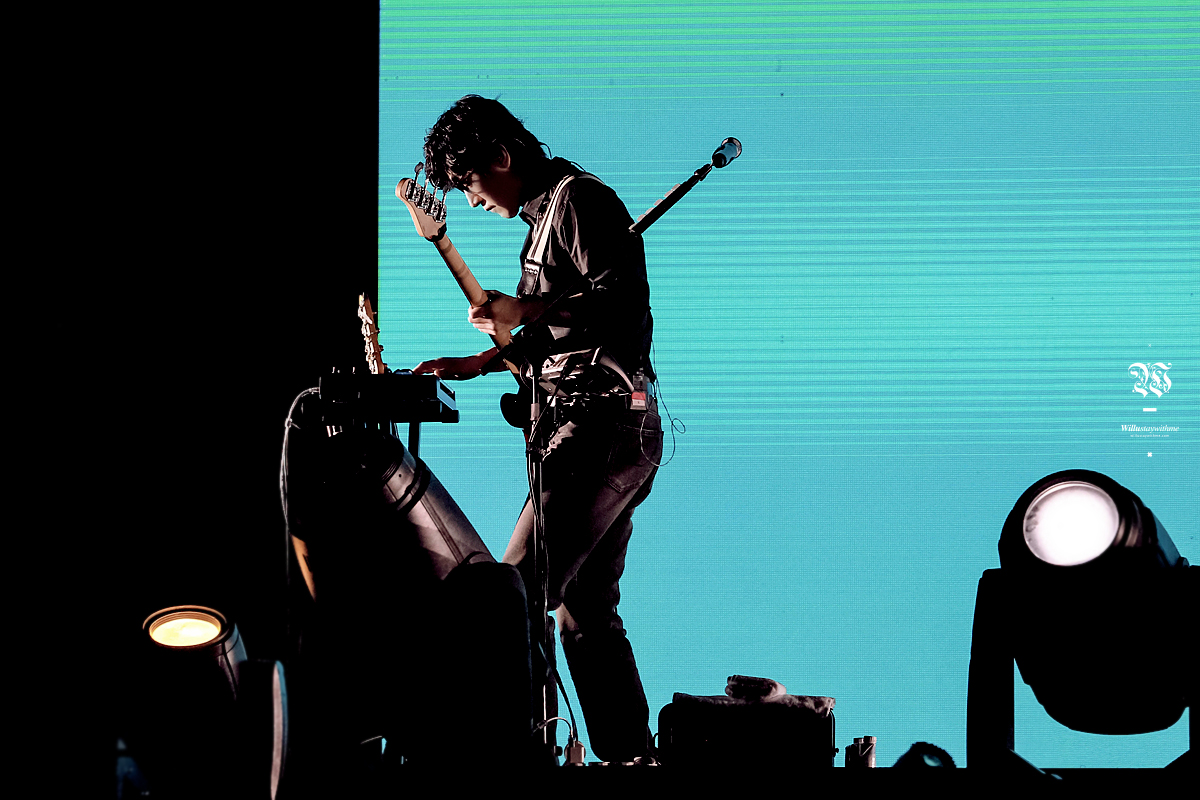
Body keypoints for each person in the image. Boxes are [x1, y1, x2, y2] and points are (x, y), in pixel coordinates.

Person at [414, 95, 663, 763]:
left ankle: (513, 759)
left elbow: (621, 302)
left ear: (501, 155)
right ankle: (631, 756)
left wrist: (523, 309)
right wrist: (477, 362)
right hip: (614, 431)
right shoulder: (544, 219)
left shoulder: (579, 200)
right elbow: (555, 335)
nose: (471, 201)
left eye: (469, 183)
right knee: (584, 609)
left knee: (510, 596)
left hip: (601, 428)